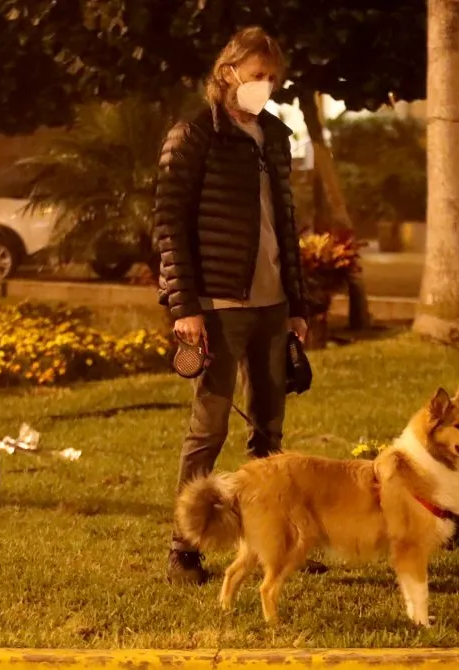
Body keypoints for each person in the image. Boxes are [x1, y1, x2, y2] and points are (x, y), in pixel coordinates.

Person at [153, 26, 317, 585]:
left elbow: (286, 225)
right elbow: (169, 225)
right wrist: (184, 306)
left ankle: (271, 543)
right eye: (256, 76)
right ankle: (185, 546)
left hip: (272, 306)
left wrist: (297, 304)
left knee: (269, 431)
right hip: (218, 307)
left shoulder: (273, 135)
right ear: (227, 73)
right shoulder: (194, 135)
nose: (265, 86)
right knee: (210, 426)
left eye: (272, 77)